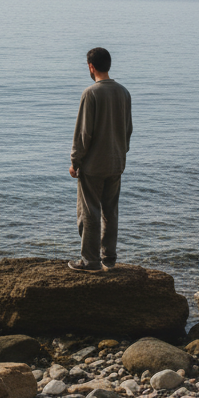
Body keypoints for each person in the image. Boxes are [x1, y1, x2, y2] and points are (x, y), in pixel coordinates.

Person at [68, 47, 133, 272]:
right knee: (110, 212)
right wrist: (121, 154)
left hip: (94, 165)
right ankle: (110, 259)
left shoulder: (91, 93)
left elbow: (83, 134)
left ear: (91, 66)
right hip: (116, 162)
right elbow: (128, 130)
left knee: (89, 212)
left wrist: (75, 162)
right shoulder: (123, 92)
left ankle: (90, 261)